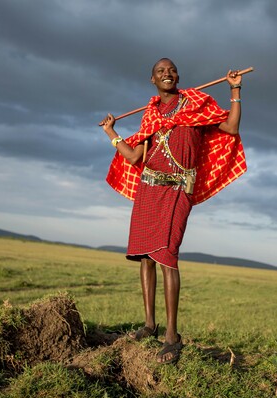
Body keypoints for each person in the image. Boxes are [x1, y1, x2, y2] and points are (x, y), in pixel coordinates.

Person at [99, 58, 247, 364]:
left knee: (167, 255)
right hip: (148, 189)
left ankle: (172, 336)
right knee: (144, 255)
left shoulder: (196, 105)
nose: (167, 74)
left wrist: (234, 90)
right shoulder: (150, 115)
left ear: (178, 76)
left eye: (172, 70)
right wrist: (112, 133)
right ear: (152, 79)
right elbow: (133, 156)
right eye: (160, 72)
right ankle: (150, 325)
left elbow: (231, 127)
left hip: (179, 189)